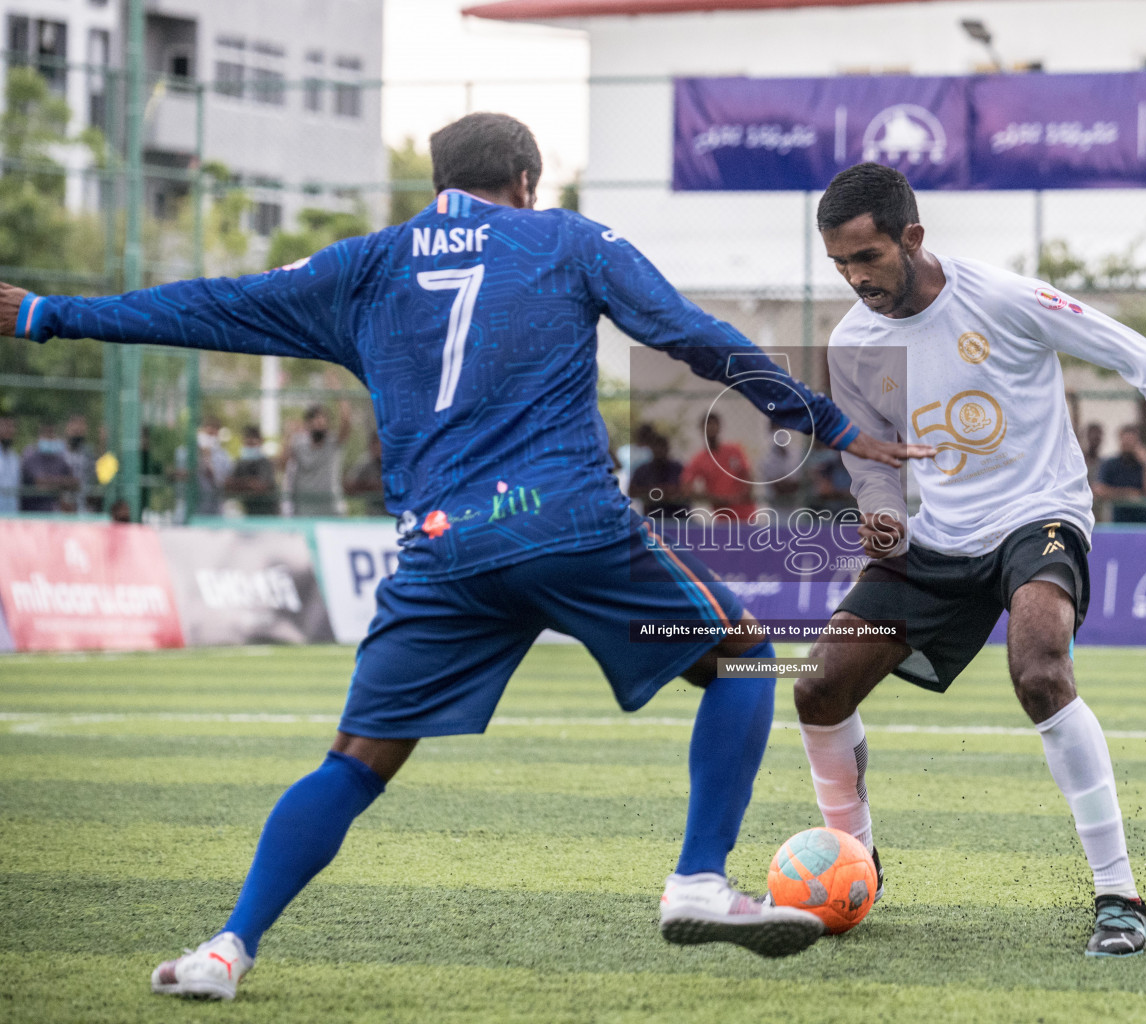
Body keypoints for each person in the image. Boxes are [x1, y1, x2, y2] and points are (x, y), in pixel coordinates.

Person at [0, 113, 930, 998]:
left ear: (439, 182)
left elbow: (209, 306)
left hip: (438, 553)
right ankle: (696, 881)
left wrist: (47, 311)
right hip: (562, 522)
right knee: (741, 655)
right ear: (524, 182)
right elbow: (697, 338)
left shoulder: (364, 265)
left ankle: (226, 946)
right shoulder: (569, 240)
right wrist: (833, 421)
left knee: (356, 761)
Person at [793, 164, 1146, 960]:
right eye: (840, 264)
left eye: (866, 258)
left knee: (1040, 670)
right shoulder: (853, 339)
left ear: (912, 238)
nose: (855, 279)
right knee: (817, 687)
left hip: (1038, 515)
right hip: (936, 537)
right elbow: (869, 453)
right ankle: (854, 863)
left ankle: (1118, 894)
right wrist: (877, 505)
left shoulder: (1003, 298)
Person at [681, 412, 756, 519]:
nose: (710, 428)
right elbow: (687, 487)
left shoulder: (734, 450)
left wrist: (741, 496)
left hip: (745, 513)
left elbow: (748, 474)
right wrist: (712, 498)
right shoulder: (698, 459)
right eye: (707, 425)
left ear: (720, 427)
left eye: (713, 424)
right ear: (701, 429)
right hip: (722, 516)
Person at [284, 404, 350, 516]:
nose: (320, 422)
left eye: (324, 419)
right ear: (308, 424)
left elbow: (346, 423)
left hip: (331, 509)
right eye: (316, 418)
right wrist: (287, 437)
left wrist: (339, 393)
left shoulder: (333, 443)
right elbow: (281, 464)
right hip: (303, 510)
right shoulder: (298, 443)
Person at [1095, 424, 1146, 523]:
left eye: (1132, 442)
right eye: (1126, 441)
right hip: (1118, 520)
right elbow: (1099, 490)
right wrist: (1127, 495)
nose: (1128, 445)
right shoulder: (1110, 464)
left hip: (1144, 521)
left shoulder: (1144, 465)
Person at [629, 432, 690, 519]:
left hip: (678, 516)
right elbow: (631, 492)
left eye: (662, 447)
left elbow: (688, 490)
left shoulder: (678, 468)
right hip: (653, 516)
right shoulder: (642, 470)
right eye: (656, 447)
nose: (659, 450)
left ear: (668, 448)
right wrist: (652, 492)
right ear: (651, 449)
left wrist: (672, 491)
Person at [19, 421, 77, 512]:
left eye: (52, 434)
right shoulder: (30, 456)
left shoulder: (60, 458)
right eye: (47, 434)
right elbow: (40, 482)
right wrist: (62, 483)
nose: (50, 437)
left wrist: (52, 483)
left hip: (54, 514)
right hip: (32, 513)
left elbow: (74, 483)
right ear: (40, 436)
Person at [225, 425, 280, 516]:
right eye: (247, 444)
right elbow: (228, 485)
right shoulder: (240, 463)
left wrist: (241, 484)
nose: (249, 447)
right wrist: (248, 483)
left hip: (266, 513)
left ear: (260, 442)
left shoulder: (266, 463)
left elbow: (261, 486)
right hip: (247, 513)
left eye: (252, 444)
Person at [344, 433, 388, 516]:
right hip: (373, 513)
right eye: (377, 444)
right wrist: (369, 486)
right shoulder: (366, 462)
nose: (379, 448)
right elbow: (348, 486)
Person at [0, 416, 20, 513]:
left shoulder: (15, 458)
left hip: (11, 515)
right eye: (6, 426)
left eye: (12, 427)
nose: (9, 431)